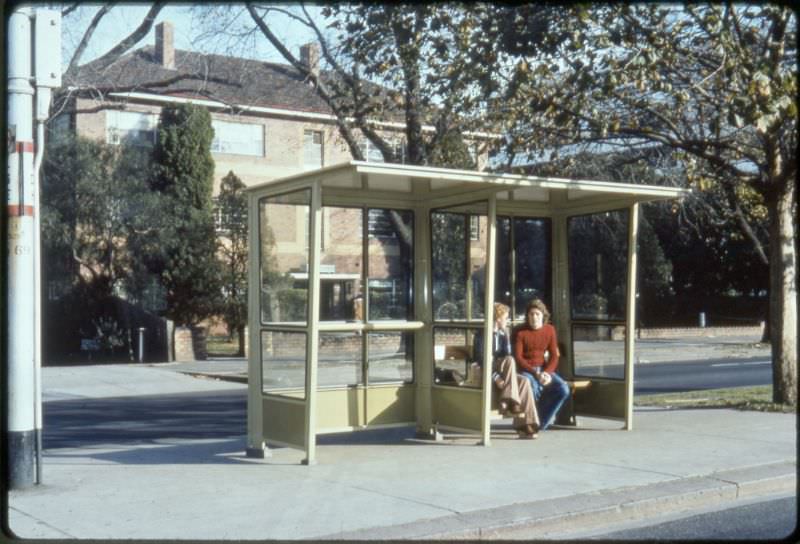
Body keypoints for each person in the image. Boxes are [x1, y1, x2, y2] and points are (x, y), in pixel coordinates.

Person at [474, 302, 540, 438]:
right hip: (486, 372)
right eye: (505, 317)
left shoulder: (502, 334)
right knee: (510, 361)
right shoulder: (481, 334)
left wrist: (506, 335)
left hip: (504, 372)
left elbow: (507, 354)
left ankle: (526, 424)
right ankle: (511, 402)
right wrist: (496, 377)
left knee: (525, 381)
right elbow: (480, 359)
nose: (507, 320)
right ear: (497, 318)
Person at [514, 299, 570, 431]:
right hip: (527, 370)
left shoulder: (549, 330)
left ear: (543, 316)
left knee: (563, 389)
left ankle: (540, 424)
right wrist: (535, 373)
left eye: (537, 314)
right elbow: (518, 357)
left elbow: (554, 355)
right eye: (531, 314)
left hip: (544, 370)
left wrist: (547, 373)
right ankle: (529, 422)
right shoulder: (520, 332)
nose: (534, 317)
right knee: (532, 385)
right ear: (527, 316)